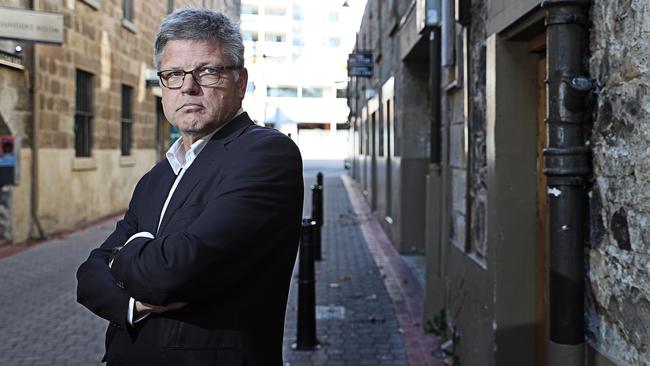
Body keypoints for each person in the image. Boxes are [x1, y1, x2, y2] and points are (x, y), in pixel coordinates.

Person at [76, 8, 303, 366]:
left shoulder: (264, 154)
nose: (188, 86)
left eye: (208, 71)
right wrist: (133, 302)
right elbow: (88, 277)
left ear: (240, 82)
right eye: (174, 74)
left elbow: (174, 272)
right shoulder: (157, 176)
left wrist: (122, 258)